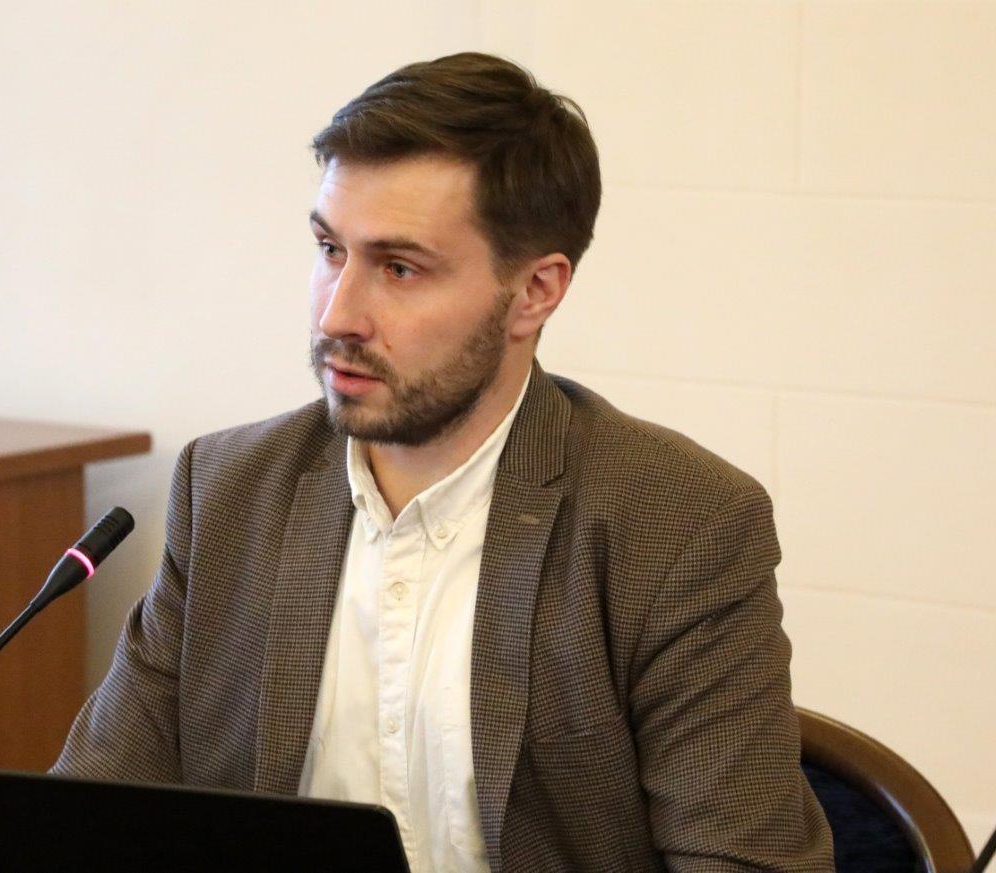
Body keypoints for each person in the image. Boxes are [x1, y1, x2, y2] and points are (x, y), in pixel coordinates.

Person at [52, 52, 834, 872]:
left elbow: (744, 860)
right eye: (329, 249)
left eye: (400, 268)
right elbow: (86, 820)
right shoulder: (229, 490)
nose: (339, 314)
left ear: (535, 292)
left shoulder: (679, 525)